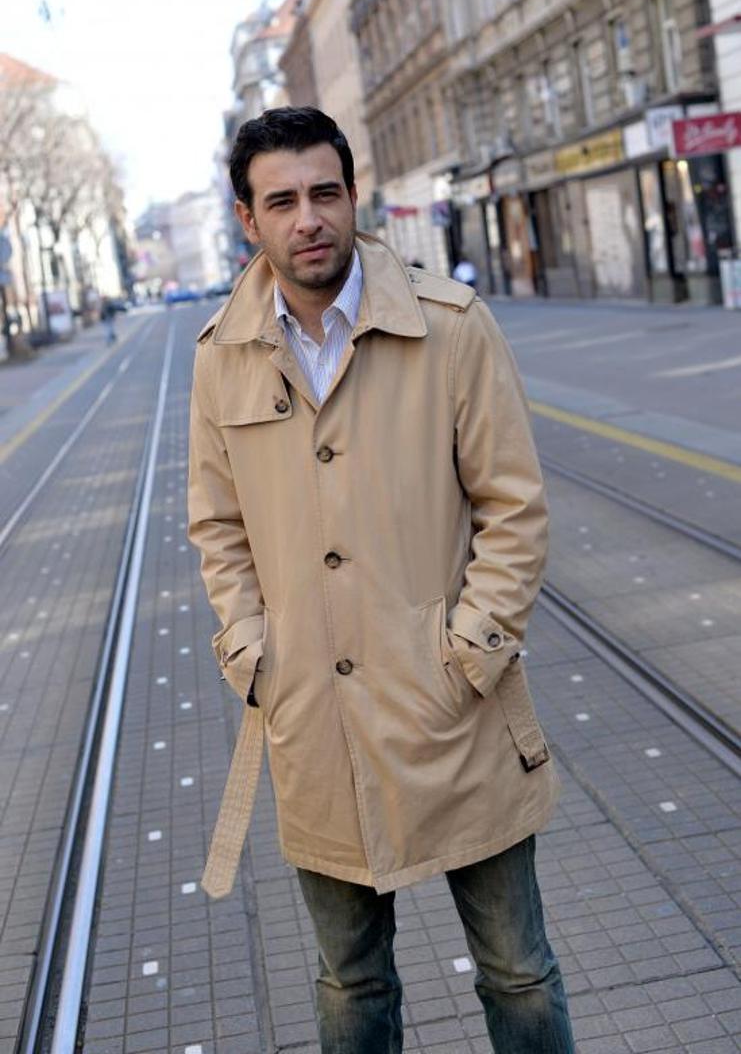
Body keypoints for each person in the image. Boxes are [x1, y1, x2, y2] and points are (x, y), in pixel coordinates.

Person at [188, 106, 574, 1054]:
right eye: (282, 201)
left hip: (454, 710)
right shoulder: (221, 356)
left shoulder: (450, 326)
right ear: (247, 219)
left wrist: (470, 652)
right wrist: (254, 653)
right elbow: (218, 525)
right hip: (313, 721)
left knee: (517, 972)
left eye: (325, 193)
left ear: (354, 196)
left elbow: (513, 506)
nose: (308, 219)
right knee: (349, 983)